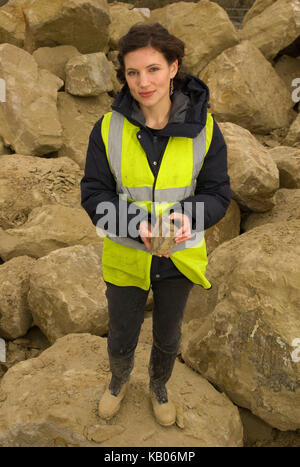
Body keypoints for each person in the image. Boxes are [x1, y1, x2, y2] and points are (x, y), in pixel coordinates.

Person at [80, 22, 230, 427]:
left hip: (178, 257)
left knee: (168, 334)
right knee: (122, 330)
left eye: (153, 69)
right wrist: (137, 225)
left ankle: (159, 385)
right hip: (127, 255)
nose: (143, 82)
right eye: (132, 72)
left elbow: (218, 193)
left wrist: (189, 217)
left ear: (173, 67)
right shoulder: (108, 129)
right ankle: (118, 380)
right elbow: (94, 193)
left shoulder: (207, 131)